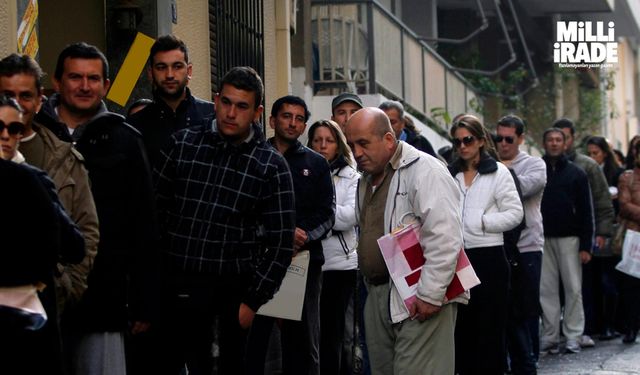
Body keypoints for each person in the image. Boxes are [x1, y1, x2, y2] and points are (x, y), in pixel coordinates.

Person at [153, 66, 296, 374]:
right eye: (226, 102)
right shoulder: (183, 145)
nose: (231, 113)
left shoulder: (271, 166)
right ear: (216, 100)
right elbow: (155, 217)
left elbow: (280, 243)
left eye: (242, 106)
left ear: (257, 112)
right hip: (179, 285)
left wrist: (254, 301)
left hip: (235, 292)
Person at [34, 42, 158, 375]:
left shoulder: (126, 140)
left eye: (93, 78)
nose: (85, 86)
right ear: (57, 82)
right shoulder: (30, 133)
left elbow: (143, 224)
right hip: (36, 292)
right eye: (75, 77)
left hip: (103, 296)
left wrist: (144, 300)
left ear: (106, 85)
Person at [345, 107, 464, 374]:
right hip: (377, 294)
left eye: (363, 143)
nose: (357, 152)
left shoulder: (426, 169)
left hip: (419, 295)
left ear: (389, 139)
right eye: (352, 144)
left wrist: (431, 294)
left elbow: (445, 236)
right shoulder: (366, 178)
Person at [0, 53, 99, 320]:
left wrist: (66, 288)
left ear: (39, 100)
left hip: (47, 306)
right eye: (8, 94)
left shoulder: (63, 158)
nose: (16, 104)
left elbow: (86, 234)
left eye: (24, 96)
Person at [247, 96, 335, 375]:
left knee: (303, 339)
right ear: (272, 120)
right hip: (258, 259)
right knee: (255, 336)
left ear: (304, 125)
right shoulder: (254, 156)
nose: (292, 122)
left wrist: (304, 234)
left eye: (299, 118)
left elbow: (327, 213)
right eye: (286, 116)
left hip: (305, 261)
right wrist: (277, 233)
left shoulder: (317, 163)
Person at [0, 94, 85, 375]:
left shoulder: (32, 180)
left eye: (14, 129)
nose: (6, 136)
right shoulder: (30, 180)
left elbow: (74, 245)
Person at [448, 115, 523, 375]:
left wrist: (481, 222)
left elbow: (515, 213)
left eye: (468, 140)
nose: (462, 146)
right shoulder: (451, 174)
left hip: (490, 257)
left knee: (491, 330)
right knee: (463, 330)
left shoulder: (498, 172)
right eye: (457, 142)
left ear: (481, 141)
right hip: (458, 259)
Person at [553, 119, 614, 348]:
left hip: (583, 236)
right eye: (557, 138)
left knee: (584, 285)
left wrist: (601, 232)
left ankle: (586, 328)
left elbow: (601, 201)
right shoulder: (547, 165)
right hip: (557, 236)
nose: (561, 143)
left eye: (565, 137)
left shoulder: (587, 166)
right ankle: (564, 330)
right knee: (560, 288)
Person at [307, 119, 359, 375]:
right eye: (317, 140)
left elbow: (350, 216)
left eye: (328, 140)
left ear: (338, 145)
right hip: (308, 262)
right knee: (309, 334)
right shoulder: (303, 170)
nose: (322, 146)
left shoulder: (352, 176)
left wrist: (319, 212)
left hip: (341, 264)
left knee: (335, 334)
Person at [496, 115, 547, 374]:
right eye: (499, 138)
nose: (503, 144)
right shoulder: (489, 164)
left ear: (520, 139)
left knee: (527, 306)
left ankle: (531, 358)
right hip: (499, 245)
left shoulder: (534, 164)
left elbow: (519, 188)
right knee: (505, 308)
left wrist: (498, 172)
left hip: (527, 245)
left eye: (509, 139)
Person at [539, 128, 594, 354]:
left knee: (573, 288)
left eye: (558, 140)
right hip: (543, 238)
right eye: (550, 139)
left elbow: (586, 211)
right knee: (546, 290)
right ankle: (551, 335)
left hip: (570, 238)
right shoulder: (537, 170)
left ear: (565, 144)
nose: (554, 143)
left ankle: (573, 335)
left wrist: (586, 245)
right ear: (544, 143)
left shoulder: (577, 173)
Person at [128, 34, 215, 168]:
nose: (169, 75)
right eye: (161, 67)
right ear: (151, 73)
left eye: (177, 66)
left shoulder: (213, 116)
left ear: (189, 71)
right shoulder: (134, 127)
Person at [586, 136, 625, 340]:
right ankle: (598, 324)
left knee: (609, 282)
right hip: (592, 235)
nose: (593, 157)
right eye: (590, 153)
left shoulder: (616, 173)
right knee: (594, 282)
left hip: (612, 235)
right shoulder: (587, 172)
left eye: (596, 153)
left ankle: (612, 323)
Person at [617, 142, 640, 344]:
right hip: (634, 237)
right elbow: (624, 206)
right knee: (631, 285)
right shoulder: (627, 177)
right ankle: (631, 327)